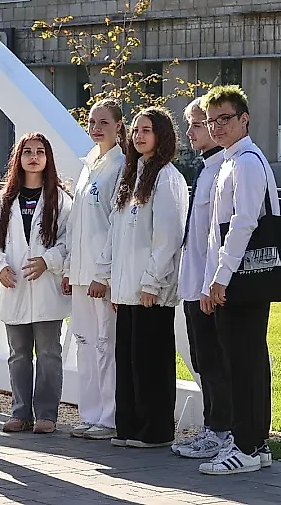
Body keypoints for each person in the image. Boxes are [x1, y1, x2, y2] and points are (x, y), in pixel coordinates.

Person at [90, 106, 188, 449]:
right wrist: (107, 277)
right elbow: (115, 234)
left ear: (161, 136)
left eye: (146, 130)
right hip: (125, 289)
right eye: (136, 131)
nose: (139, 136)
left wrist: (151, 283)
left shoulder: (167, 177)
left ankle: (156, 431)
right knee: (128, 362)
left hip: (150, 292)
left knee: (152, 362)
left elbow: (167, 237)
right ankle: (129, 427)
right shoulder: (130, 176)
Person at [198, 85, 277, 475]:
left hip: (241, 278)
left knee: (243, 361)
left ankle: (246, 444)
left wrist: (220, 278)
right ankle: (255, 443)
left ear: (244, 119)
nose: (216, 127)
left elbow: (244, 222)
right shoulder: (232, 160)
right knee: (246, 359)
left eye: (224, 119)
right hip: (235, 277)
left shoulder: (245, 161)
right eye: (211, 121)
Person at [0, 133, 72, 435]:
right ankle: (19, 411)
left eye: (40, 152)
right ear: (18, 159)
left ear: (48, 159)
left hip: (47, 289)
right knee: (18, 353)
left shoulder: (61, 200)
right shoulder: (3, 201)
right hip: (15, 287)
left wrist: (49, 260)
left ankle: (47, 413)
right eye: (27, 152)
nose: (34, 157)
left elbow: (68, 241)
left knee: (48, 353)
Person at [170, 98, 231, 460]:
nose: (191, 132)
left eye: (197, 124)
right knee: (202, 357)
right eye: (191, 124)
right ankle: (214, 426)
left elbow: (219, 235)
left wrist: (210, 284)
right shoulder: (206, 168)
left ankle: (221, 429)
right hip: (194, 282)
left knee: (213, 359)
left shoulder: (224, 167)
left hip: (207, 285)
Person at [63, 99, 126, 440]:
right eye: (92, 121)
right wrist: (70, 269)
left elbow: (116, 225)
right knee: (85, 345)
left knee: (106, 345)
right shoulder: (88, 165)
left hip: (103, 276)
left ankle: (109, 417)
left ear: (119, 125)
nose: (97, 127)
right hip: (81, 274)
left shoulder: (120, 167)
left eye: (104, 121)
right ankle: (89, 414)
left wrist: (104, 275)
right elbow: (75, 224)